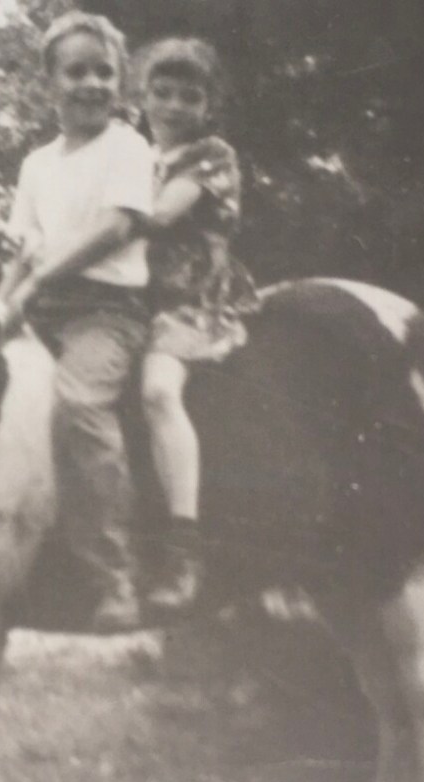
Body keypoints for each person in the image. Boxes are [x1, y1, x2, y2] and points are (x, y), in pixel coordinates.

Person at [0, 11, 154, 631]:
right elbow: (24, 251)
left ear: (120, 83)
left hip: (106, 310)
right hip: (42, 310)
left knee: (79, 403)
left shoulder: (128, 147)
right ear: (50, 83)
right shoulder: (37, 165)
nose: (91, 84)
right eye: (76, 72)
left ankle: (116, 574)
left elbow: (115, 227)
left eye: (105, 72)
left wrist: (35, 282)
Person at [136, 37, 260, 611]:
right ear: (142, 95)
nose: (173, 105)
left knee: (160, 391)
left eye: (190, 96)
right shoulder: (134, 153)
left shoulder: (210, 154)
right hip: (133, 294)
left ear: (207, 106)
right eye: (162, 92)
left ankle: (184, 543)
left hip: (190, 296)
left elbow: (161, 214)